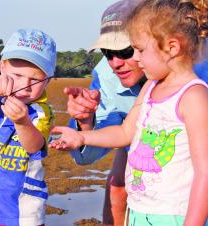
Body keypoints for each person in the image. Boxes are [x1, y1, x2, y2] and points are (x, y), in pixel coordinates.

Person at [50, 0, 208, 225]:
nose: (120, 61)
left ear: (172, 47)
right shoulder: (148, 85)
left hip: (173, 212)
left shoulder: (195, 92)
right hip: (141, 207)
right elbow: (125, 133)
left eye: (134, 50)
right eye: (107, 52)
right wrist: (84, 131)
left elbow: (205, 172)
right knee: (116, 190)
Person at [0, 28, 56, 226]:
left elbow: (34, 146)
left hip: (23, 211)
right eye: (17, 75)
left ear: (47, 80)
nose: (25, 85)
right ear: (3, 68)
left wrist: (22, 122)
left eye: (35, 79)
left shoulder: (40, 111)